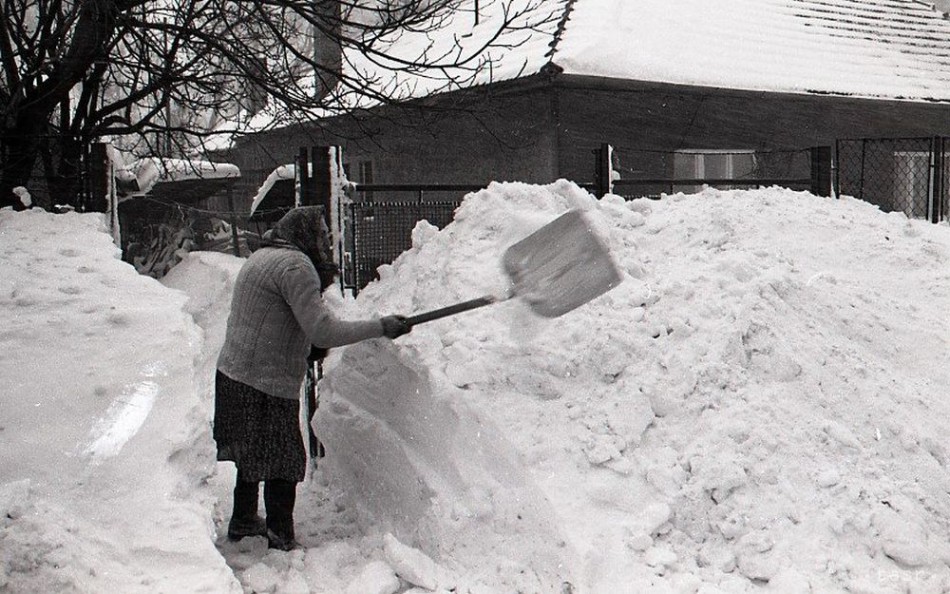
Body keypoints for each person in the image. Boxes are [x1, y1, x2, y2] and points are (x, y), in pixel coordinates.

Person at [213, 205, 411, 551]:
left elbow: (279, 318)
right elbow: (322, 330)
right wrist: (381, 327)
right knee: (283, 459)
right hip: (265, 381)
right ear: (303, 234)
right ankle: (280, 535)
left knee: (250, 452)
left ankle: (243, 519)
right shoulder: (296, 266)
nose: (326, 240)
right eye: (320, 233)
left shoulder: (263, 256)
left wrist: (305, 347)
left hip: (234, 373)